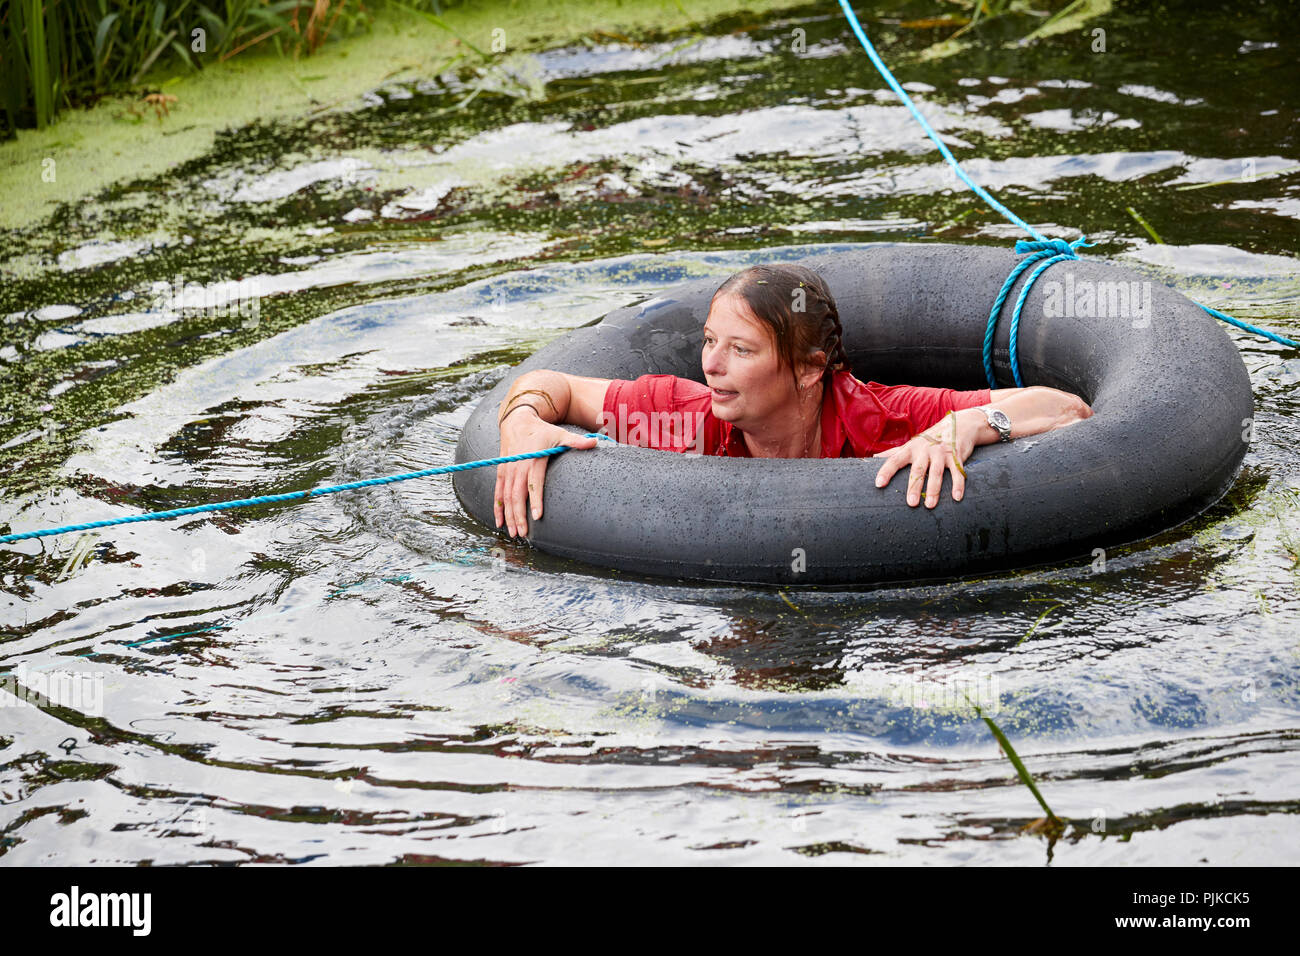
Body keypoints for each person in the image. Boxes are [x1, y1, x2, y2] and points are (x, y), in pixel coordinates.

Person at [493, 264, 1092, 538]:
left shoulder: (882, 415)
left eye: (741, 350)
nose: (710, 364)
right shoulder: (687, 416)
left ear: (809, 370)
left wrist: (965, 425)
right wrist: (521, 421)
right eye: (708, 342)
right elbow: (556, 386)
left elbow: (1066, 408)